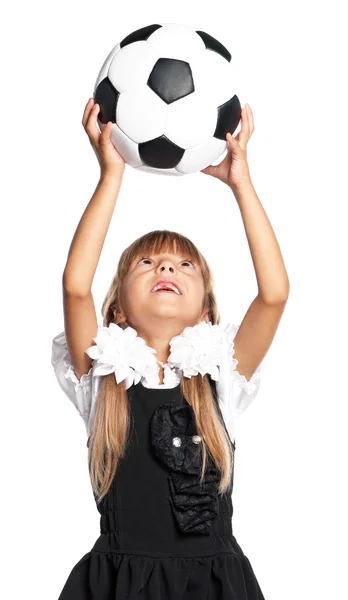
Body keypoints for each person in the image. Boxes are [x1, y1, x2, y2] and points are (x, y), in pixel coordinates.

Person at [51, 98, 290, 599]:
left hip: (213, 585)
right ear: (116, 311)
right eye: (147, 263)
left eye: (184, 266)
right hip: (119, 585)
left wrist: (240, 182)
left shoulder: (220, 378)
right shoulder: (99, 377)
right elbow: (76, 287)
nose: (165, 269)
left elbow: (274, 294)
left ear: (206, 312)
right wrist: (110, 176)